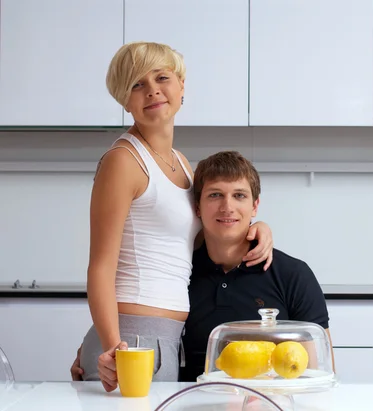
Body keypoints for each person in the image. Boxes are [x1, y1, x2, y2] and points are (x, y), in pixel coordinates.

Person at [79, 41, 274, 392]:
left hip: (166, 339)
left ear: (181, 86)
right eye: (137, 84)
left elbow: (197, 239)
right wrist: (111, 347)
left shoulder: (182, 164)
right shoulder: (123, 162)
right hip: (131, 339)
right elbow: (100, 267)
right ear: (125, 101)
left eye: (162, 77)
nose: (152, 90)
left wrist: (256, 228)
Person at [72, 151, 332, 383]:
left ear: (255, 206)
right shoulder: (179, 272)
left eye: (239, 196)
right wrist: (95, 352)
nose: (227, 207)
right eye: (215, 195)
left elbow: (319, 373)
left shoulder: (293, 275)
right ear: (197, 207)